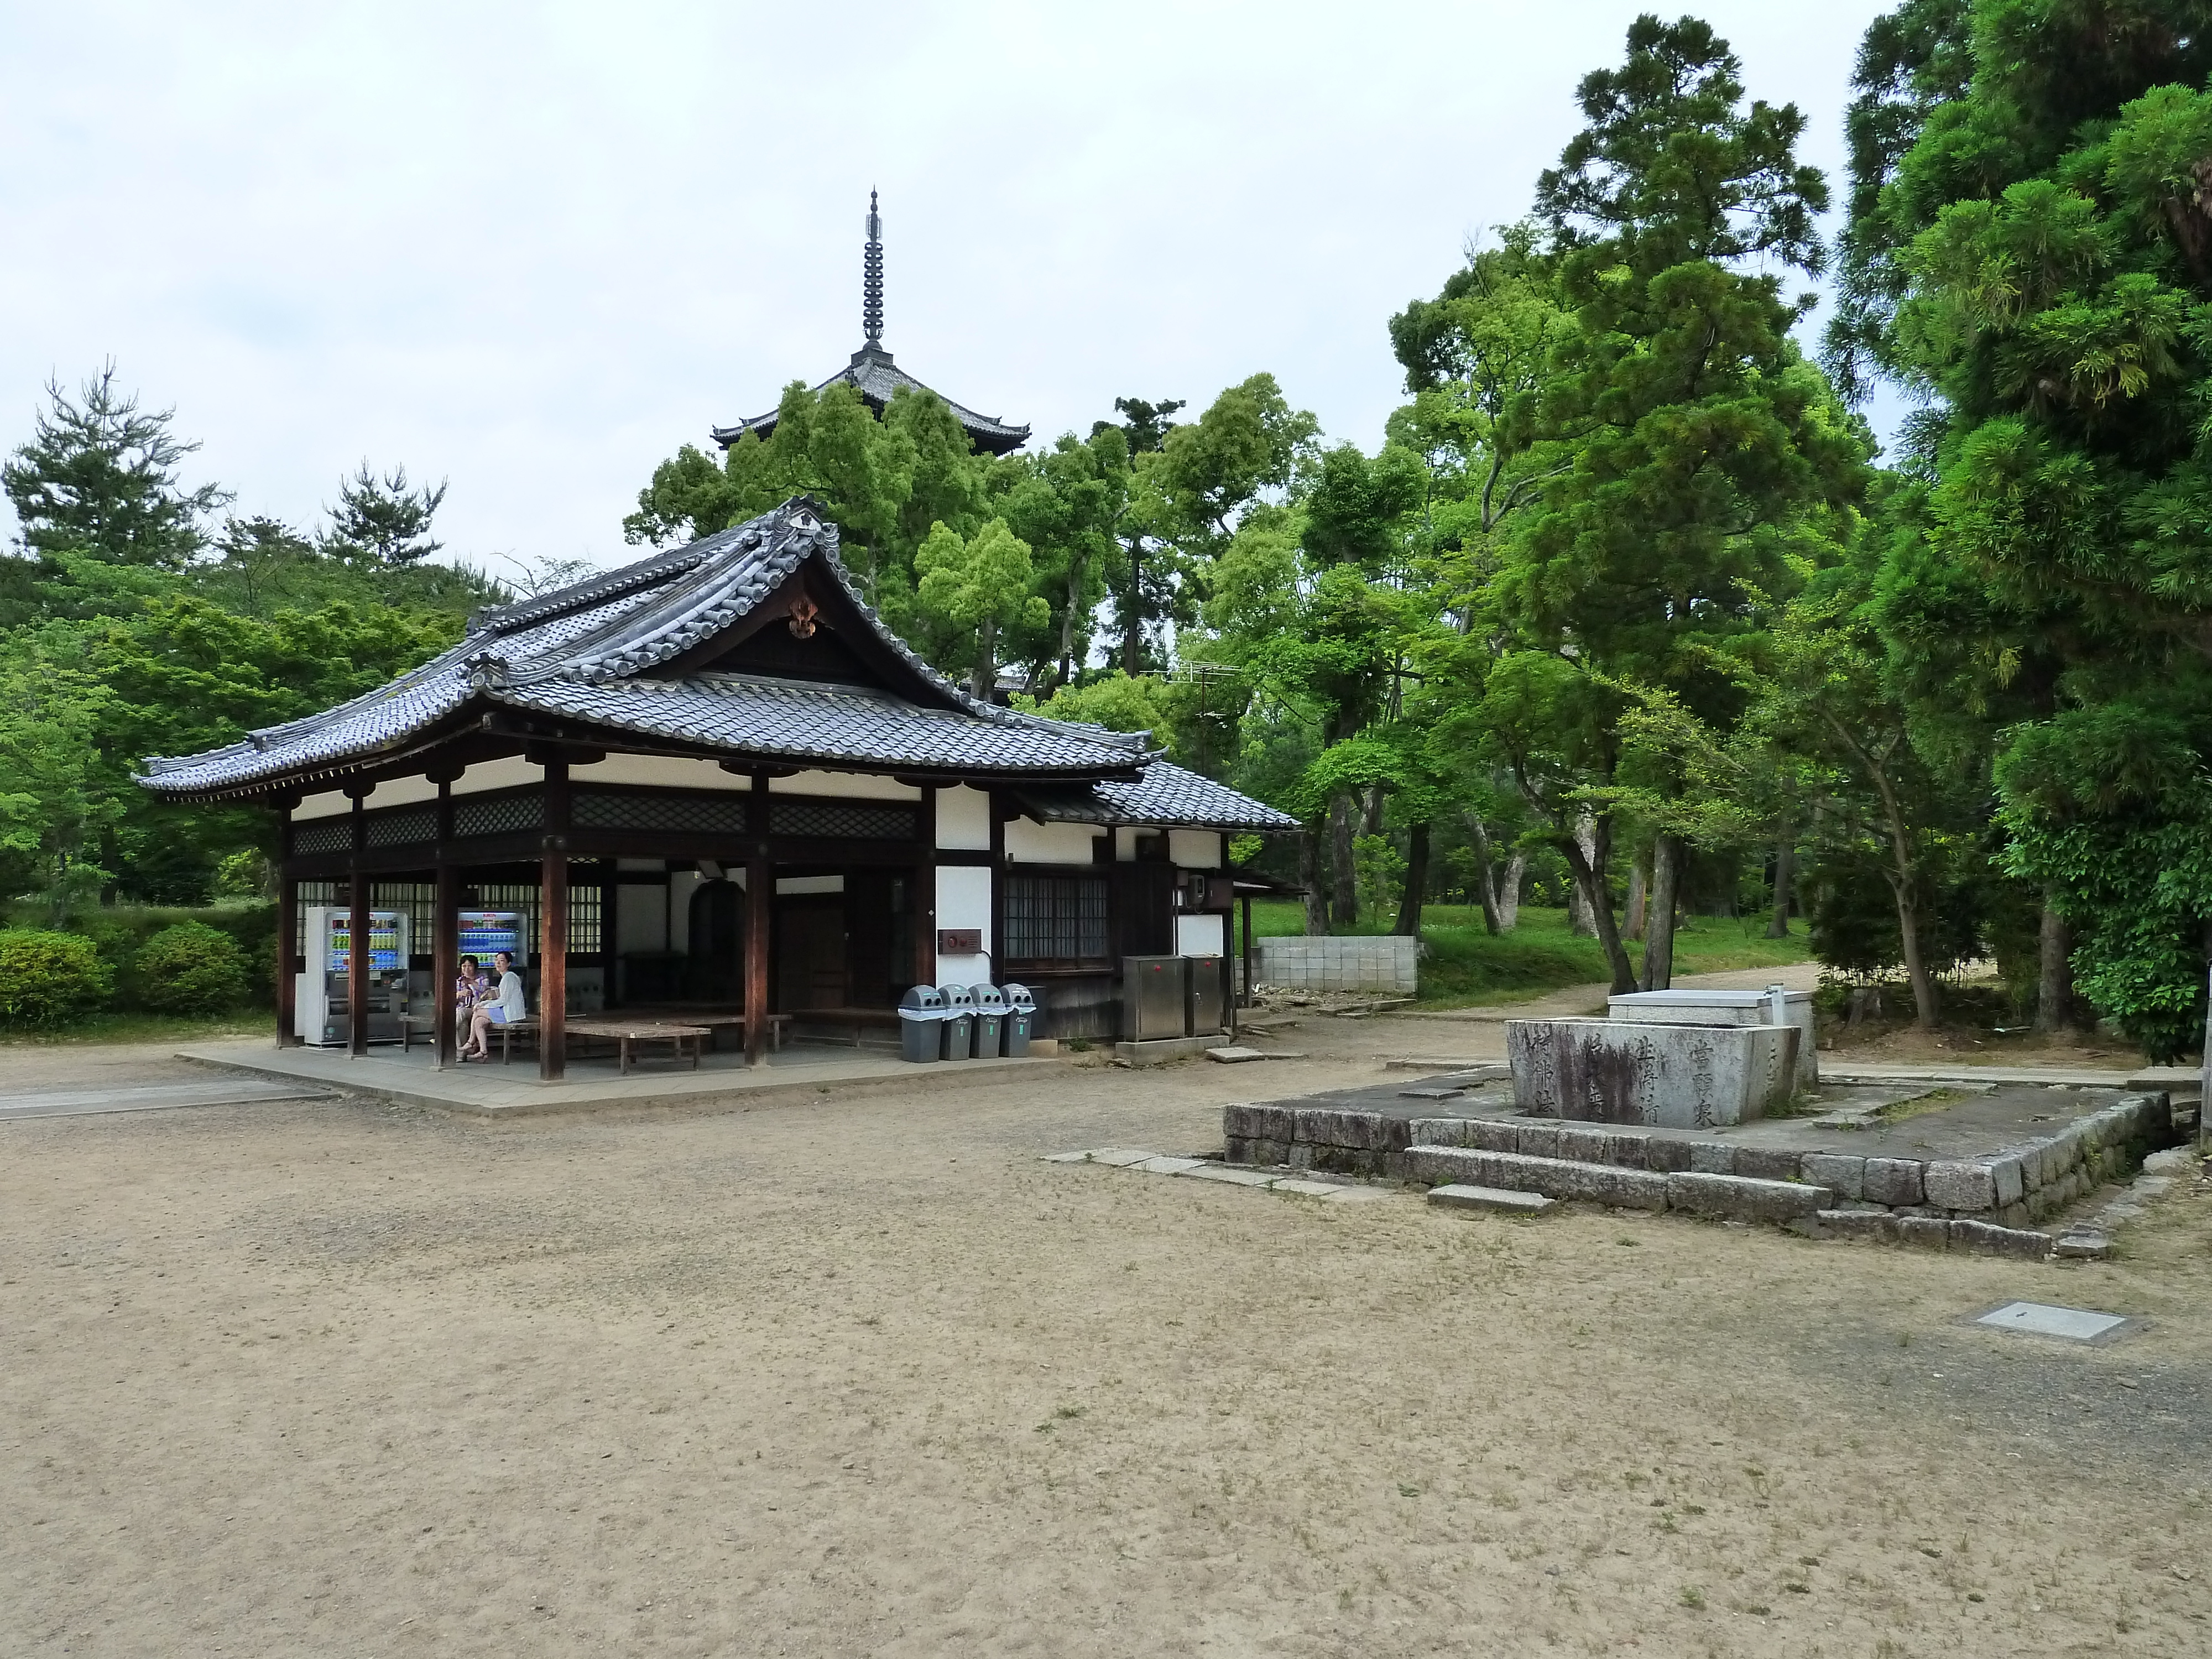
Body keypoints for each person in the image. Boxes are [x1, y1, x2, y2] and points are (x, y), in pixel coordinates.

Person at [460, 950, 528, 1060]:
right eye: (497, 960)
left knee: (477, 1012)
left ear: (509, 964)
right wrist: (484, 1004)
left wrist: (482, 1005)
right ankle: (483, 1052)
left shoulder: (509, 977)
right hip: (506, 1010)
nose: (498, 963)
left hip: (510, 1014)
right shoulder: (507, 977)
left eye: (502, 961)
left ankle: (471, 1041)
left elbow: (503, 1001)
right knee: (479, 1022)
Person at [452, 954, 488, 1050]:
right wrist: (459, 994)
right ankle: (461, 1053)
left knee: (460, 1013)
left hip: (477, 1009)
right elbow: (452, 999)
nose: (467, 969)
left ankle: (444, 1033)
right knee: (463, 1025)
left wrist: (472, 983)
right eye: (464, 966)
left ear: (475, 967)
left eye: (469, 966)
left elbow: (484, 990)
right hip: (463, 1008)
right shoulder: (459, 981)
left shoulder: (482, 978)